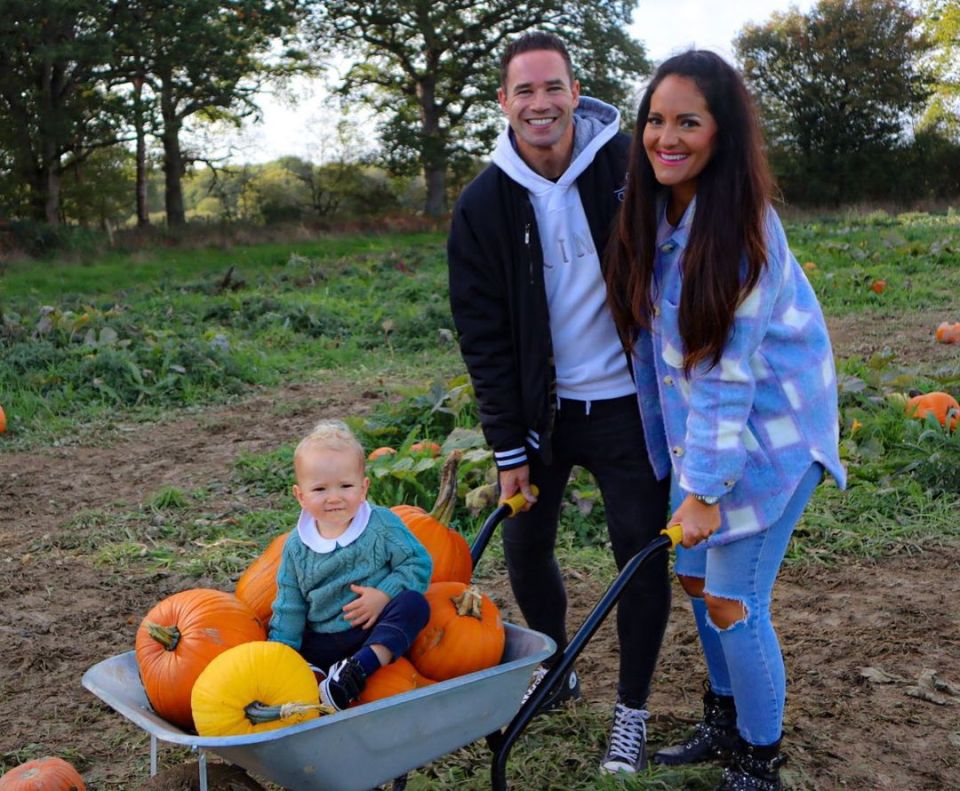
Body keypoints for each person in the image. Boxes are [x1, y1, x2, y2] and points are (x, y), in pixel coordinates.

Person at [605, 50, 846, 790]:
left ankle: (758, 757)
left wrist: (704, 490)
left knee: (735, 597)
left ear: (722, 133)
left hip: (774, 436)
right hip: (708, 436)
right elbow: (666, 360)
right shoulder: (655, 213)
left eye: (689, 122)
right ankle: (726, 713)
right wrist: (689, 472)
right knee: (693, 578)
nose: (665, 137)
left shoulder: (742, 233)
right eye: (656, 120)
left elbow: (726, 374)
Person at [447, 31, 671, 775]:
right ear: (504, 104)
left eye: (553, 88)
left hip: (627, 406)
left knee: (638, 555)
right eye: (525, 91)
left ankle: (631, 713)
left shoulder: (629, 167)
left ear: (577, 92)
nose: (540, 103)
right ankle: (555, 667)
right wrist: (507, 444)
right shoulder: (482, 204)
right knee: (525, 546)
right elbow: (484, 335)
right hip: (544, 414)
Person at [268, 420, 432, 711]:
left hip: (371, 631)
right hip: (323, 639)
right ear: (300, 495)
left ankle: (358, 668)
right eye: (319, 489)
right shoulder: (296, 546)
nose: (334, 498)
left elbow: (417, 562)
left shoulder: (381, 525)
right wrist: (279, 658)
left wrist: (383, 595)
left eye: (345, 486)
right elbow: (289, 606)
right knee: (297, 648)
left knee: (414, 605)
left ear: (364, 487)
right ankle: (318, 677)